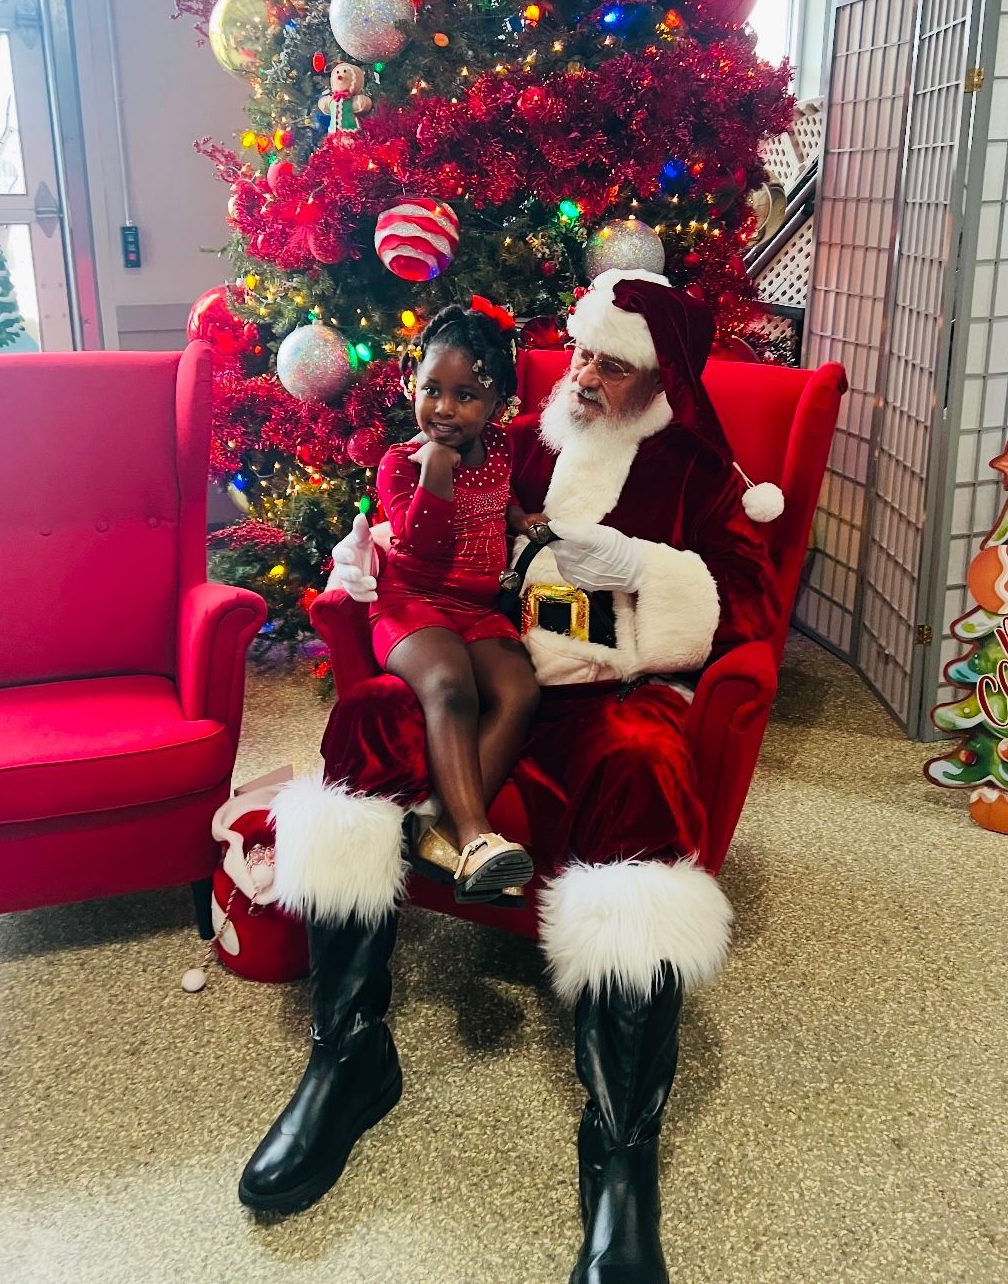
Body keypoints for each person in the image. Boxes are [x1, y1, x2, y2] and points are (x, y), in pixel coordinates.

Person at [240, 271, 780, 1282]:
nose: (581, 377)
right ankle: (349, 1056)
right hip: (485, 660)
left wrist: (616, 578)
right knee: (367, 719)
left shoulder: (698, 471)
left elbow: (746, 607)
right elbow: (420, 528)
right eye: (580, 354)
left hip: (606, 692)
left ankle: (620, 1146)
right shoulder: (518, 433)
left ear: (656, 378)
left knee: (644, 770)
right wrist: (370, 560)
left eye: (609, 366)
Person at [372, 302, 541, 904]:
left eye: (465, 395)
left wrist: (519, 514)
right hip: (410, 603)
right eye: (432, 390)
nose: (443, 409)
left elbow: (501, 494)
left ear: (497, 405)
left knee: (520, 690)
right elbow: (420, 540)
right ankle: (477, 837)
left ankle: (440, 836)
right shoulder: (401, 462)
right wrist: (434, 471)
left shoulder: (499, 450)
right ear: (413, 387)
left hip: (478, 607)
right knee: (449, 684)